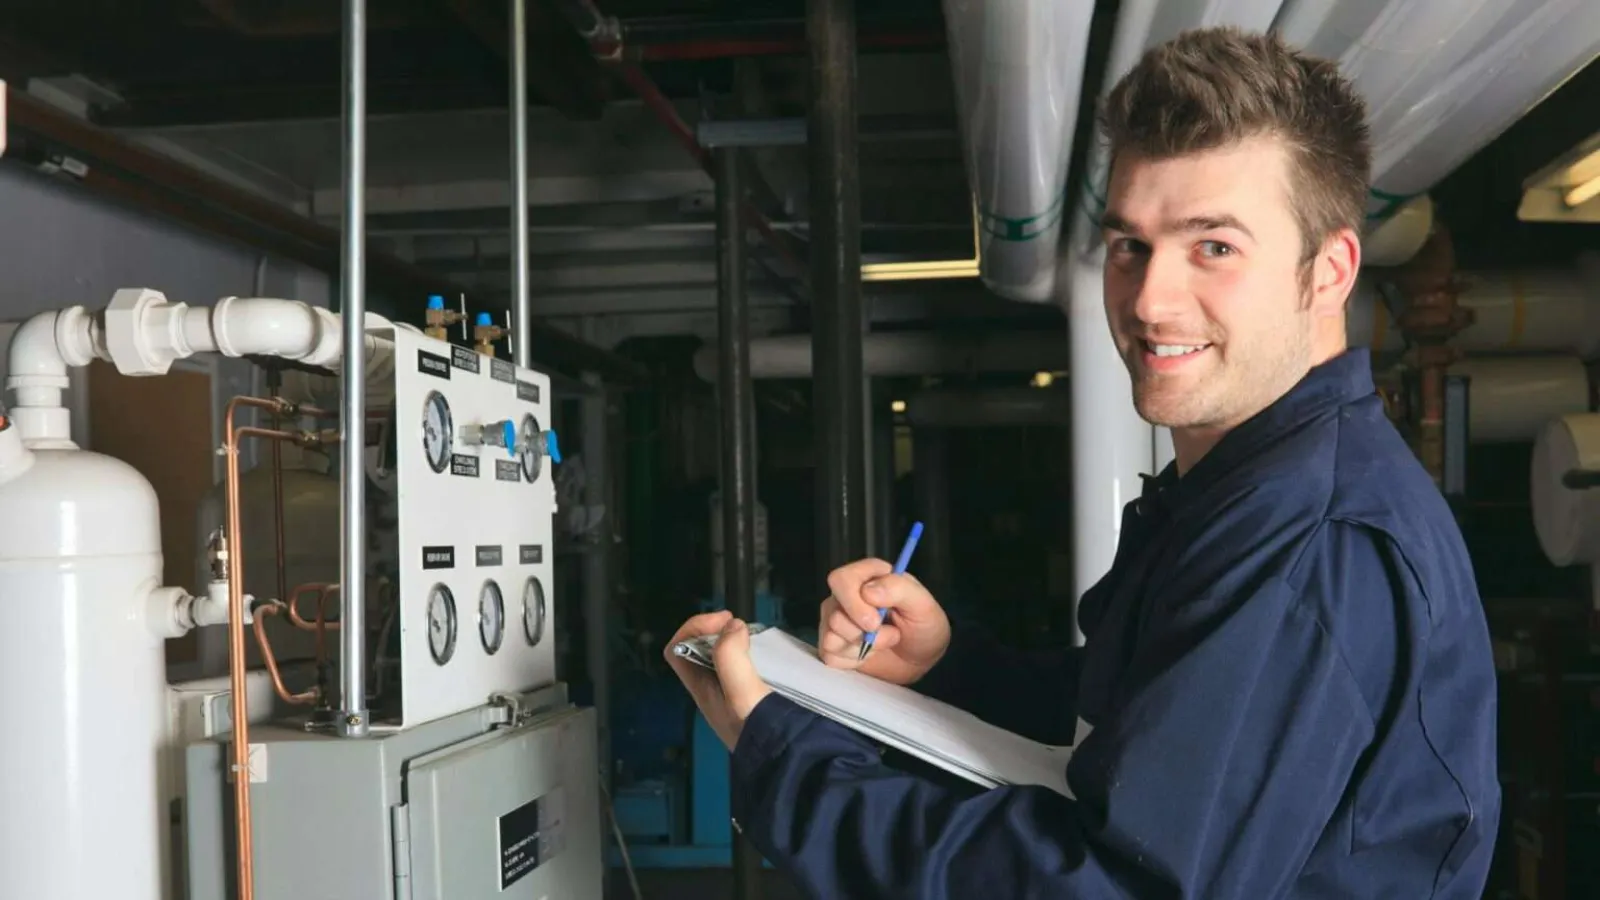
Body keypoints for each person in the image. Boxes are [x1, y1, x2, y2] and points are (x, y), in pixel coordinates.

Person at [665, 26, 1500, 899]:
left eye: (1213, 246)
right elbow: (1151, 732)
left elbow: (1107, 885)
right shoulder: (1245, 493)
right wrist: (949, 670)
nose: (1149, 299)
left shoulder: (1309, 541)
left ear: (1327, 271)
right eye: (1131, 245)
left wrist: (785, 760)